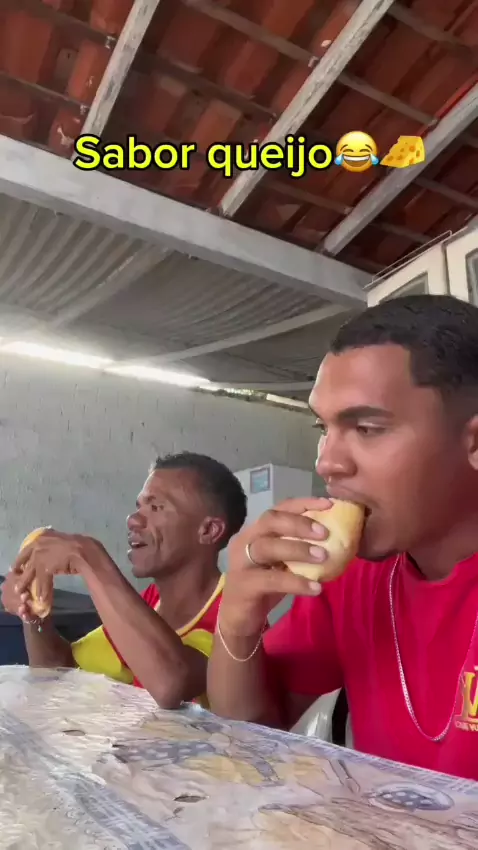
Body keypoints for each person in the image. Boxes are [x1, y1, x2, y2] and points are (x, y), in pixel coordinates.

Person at [208, 294, 478, 781]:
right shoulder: (353, 577)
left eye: (367, 428)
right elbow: (252, 736)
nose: (327, 462)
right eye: (323, 427)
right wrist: (238, 622)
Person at [2, 452, 247, 709]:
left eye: (156, 507)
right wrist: (34, 616)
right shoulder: (148, 603)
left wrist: (89, 557)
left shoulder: (238, 613)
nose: (133, 519)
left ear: (208, 530)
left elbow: (172, 684)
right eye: (139, 507)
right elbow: (59, 670)